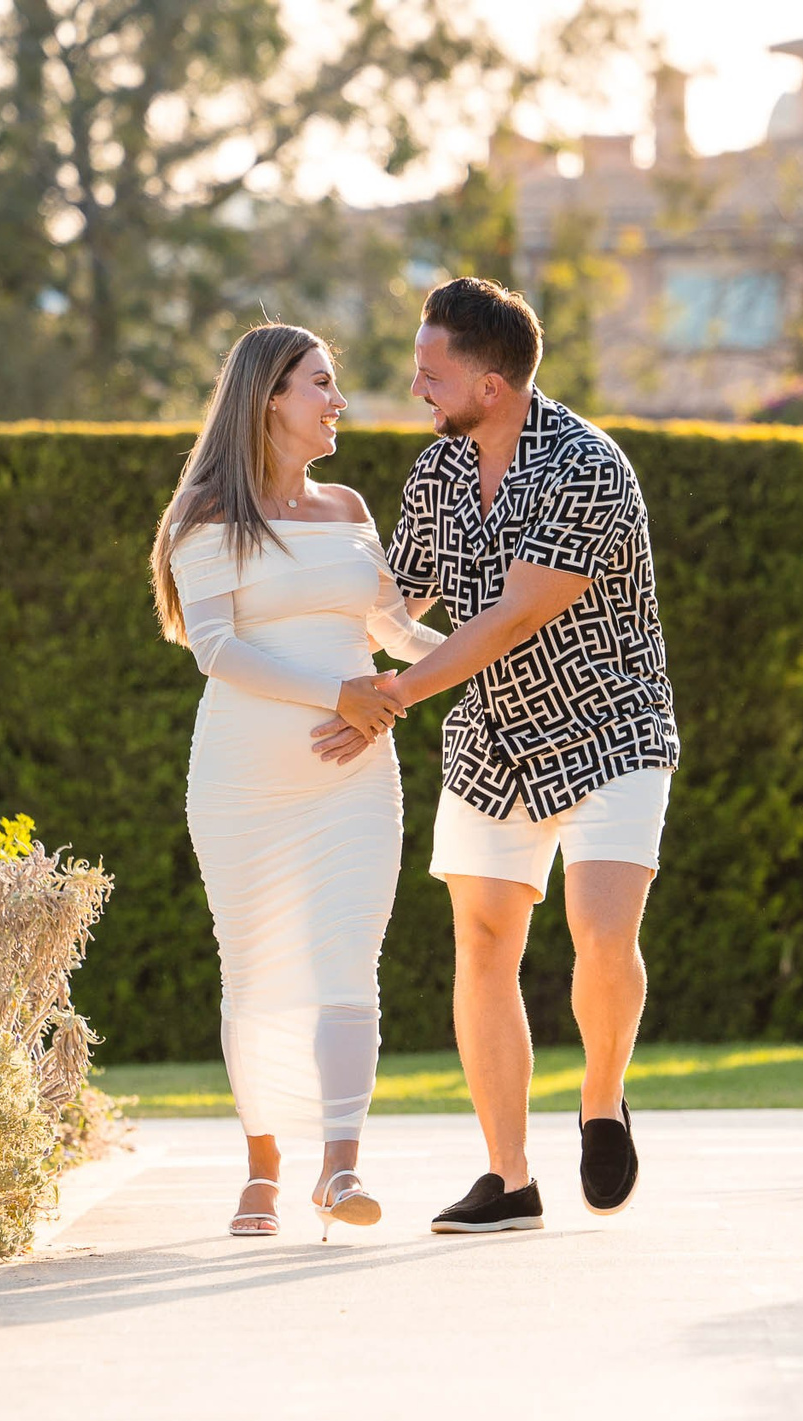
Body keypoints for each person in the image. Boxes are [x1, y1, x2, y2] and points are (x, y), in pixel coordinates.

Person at [314, 278, 676, 1235]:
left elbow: (515, 615)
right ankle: (509, 1179)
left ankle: (603, 1098)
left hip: (612, 725)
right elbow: (401, 602)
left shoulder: (586, 465)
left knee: (601, 934)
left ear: (493, 381)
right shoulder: (437, 474)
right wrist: (307, 612)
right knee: (482, 943)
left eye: (434, 374)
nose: (418, 388)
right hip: (493, 740)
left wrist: (391, 698)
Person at [149, 323, 443, 1239]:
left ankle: (341, 1166)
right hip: (244, 787)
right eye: (322, 383)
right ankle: (263, 1167)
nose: (338, 400)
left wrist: (496, 656)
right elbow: (217, 649)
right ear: (272, 396)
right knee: (256, 974)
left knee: (350, 965)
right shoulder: (204, 515)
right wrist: (340, 693)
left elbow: (395, 630)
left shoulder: (351, 506)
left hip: (357, 783)